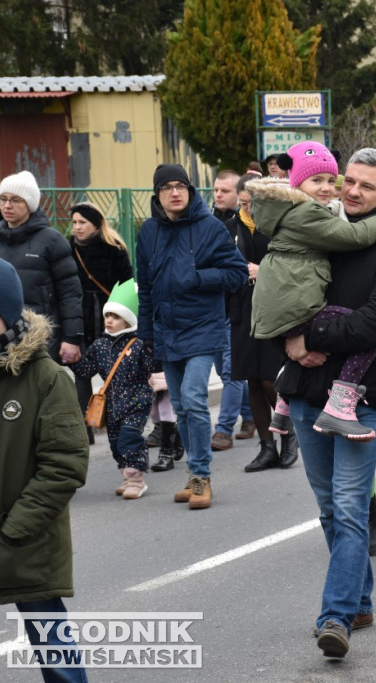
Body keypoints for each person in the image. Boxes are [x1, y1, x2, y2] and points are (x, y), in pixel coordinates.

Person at [277, 148, 376, 660]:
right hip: (306, 394)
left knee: (353, 509)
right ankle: (359, 600)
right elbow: (277, 298)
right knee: (330, 509)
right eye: (348, 181)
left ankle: (335, 617)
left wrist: (310, 335)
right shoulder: (316, 231)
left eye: (366, 186)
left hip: (362, 398)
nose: (353, 191)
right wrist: (289, 339)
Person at [247, 142, 376, 441]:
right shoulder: (306, 214)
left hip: (282, 309)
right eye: (317, 180)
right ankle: (341, 405)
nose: (330, 188)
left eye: (332, 181)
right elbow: (354, 236)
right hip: (293, 310)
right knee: (360, 327)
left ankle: (283, 401)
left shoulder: (292, 210)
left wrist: (299, 340)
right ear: (296, 182)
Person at [0, 255, 89, 682]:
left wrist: (13, 531)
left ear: (7, 313)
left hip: (25, 542)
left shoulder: (46, 378)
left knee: (55, 650)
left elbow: (64, 465)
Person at [136, 164, 247, 510]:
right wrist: (146, 333)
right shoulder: (148, 232)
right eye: (167, 187)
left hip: (203, 326)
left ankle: (202, 476)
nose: (175, 192)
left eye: (181, 185)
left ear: (190, 189)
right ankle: (193, 475)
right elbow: (146, 289)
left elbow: (237, 274)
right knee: (181, 406)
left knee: (194, 398)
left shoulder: (210, 227)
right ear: (157, 194)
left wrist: (198, 277)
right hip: (167, 330)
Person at [225, 173, 296, 473]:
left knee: (270, 377)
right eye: (243, 203)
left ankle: (288, 433)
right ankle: (267, 447)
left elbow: (292, 263)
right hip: (242, 309)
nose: (248, 209)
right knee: (251, 378)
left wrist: (263, 269)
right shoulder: (230, 228)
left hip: (273, 309)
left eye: (252, 203)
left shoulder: (279, 226)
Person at [72, 279, 158, 497]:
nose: (109, 320)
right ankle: (126, 474)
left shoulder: (139, 343)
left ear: (128, 320)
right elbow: (85, 371)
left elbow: (150, 368)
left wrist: (151, 349)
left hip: (136, 400)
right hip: (111, 404)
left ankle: (136, 479)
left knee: (130, 437)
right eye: (107, 316)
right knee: (115, 442)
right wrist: (71, 360)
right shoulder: (100, 345)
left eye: (116, 316)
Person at [0, 170, 83, 364]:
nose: (7, 205)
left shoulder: (52, 240)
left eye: (16, 200)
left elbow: (69, 293)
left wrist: (71, 338)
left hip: (40, 339)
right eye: (3, 199)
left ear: (30, 204)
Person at [68, 201, 134, 445]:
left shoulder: (113, 248)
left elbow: (127, 284)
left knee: (114, 372)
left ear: (95, 224)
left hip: (109, 318)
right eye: (74, 223)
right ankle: (85, 430)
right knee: (81, 373)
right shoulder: (67, 249)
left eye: (82, 222)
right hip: (79, 316)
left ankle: (120, 423)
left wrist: (123, 318)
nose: (77, 228)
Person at [209, 169, 253, 450]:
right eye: (215, 190)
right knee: (226, 369)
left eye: (224, 191)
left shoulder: (245, 227)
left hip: (235, 310)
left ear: (239, 195)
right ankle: (249, 415)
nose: (218, 195)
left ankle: (223, 429)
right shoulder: (207, 224)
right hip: (212, 309)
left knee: (231, 372)